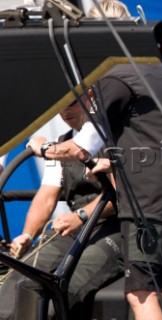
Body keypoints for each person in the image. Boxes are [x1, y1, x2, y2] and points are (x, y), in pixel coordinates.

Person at [27, 62, 162, 320]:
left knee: (141, 293)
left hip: (145, 202)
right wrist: (111, 163)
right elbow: (149, 136)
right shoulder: (160, 73)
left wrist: (43, 148)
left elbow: (80, 148)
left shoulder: (113, 79)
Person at [0, 94, 123, 320]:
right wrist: (27, 235)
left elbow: (120, 193)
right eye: (60, 107)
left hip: (116, 230)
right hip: (75, 229)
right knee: (20, 275)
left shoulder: (114, 134)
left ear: (90, 98)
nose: (66, 112)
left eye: (72, 103)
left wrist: (82, 215)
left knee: (69, 282)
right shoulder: (61, 141)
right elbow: (46, 196)